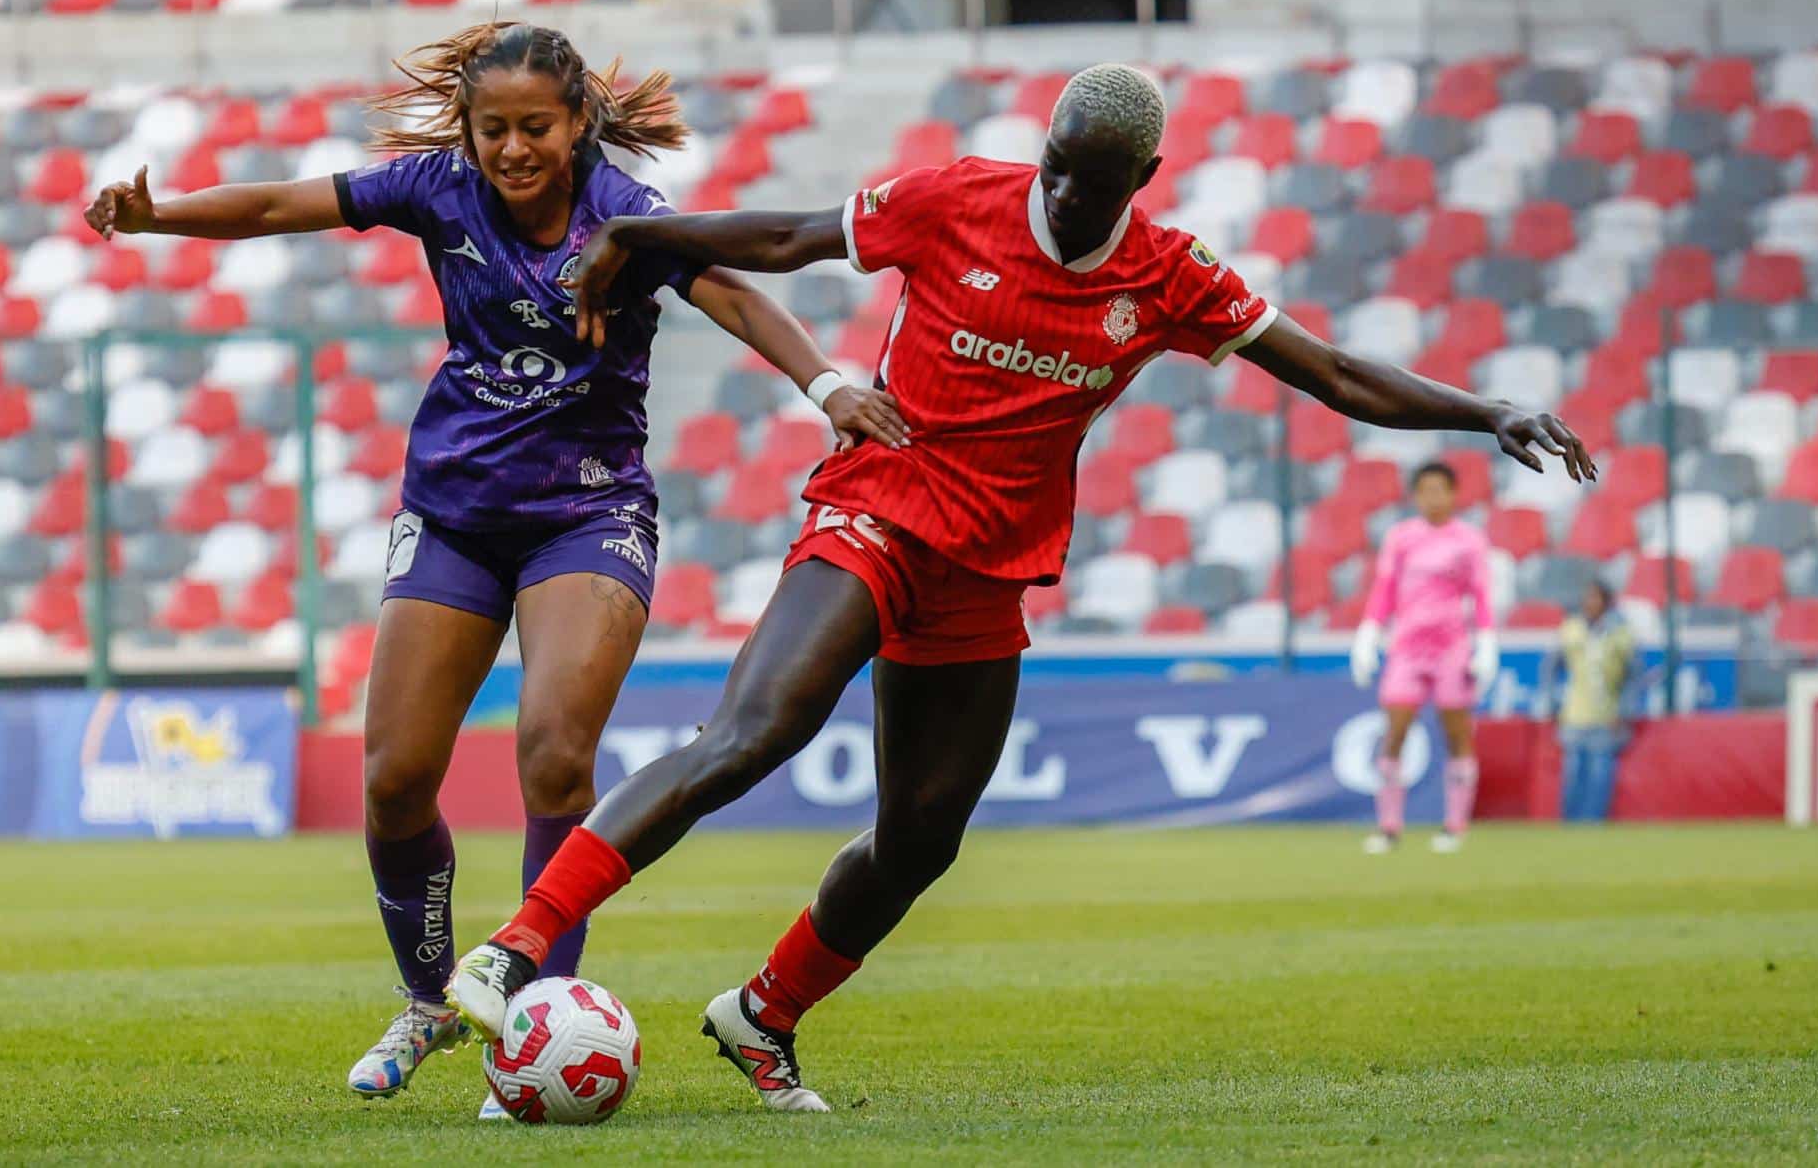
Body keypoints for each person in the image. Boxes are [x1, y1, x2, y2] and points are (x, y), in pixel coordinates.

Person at [445, 63, 1597, 1111]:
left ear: (1140, 180)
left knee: (920, 837)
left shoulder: (1171, 273)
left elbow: (1336, 371)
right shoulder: (957, 197)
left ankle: (762, 1015)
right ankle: (515, 946)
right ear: (1040, 147)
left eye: (1094, 186)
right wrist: (643, 235)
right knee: (750, 733)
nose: (1065, 197)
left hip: (987, 568)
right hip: (877, 509)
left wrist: (1484, 407)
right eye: (1055, 169)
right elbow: (796, 234)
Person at [82, 22, 905, 1110]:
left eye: (535, 127)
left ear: (577, 125)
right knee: (393, 779)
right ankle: (428, 998)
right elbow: (285, 203)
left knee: (556, 754)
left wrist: (829, 385)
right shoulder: (436, 189)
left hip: (588, 513)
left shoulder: (631, 214)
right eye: (493, 129)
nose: (512, 148)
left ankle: (528, 1017)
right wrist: (161, 216)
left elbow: (738, 296)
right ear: (466, 133)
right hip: (454, 515)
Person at [1351, 460, 1498, 856]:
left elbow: (1481, 594)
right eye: (1425, 490)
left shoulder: (1469, 540)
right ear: (1416, 495)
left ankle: (1454, 825)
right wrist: (1369, 633)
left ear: (1453, 494)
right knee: (1394, 732)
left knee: (1456, 736)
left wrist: (1486, 642)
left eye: (1440, 490)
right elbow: (1384, 589)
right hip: (1407, 649)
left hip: (1452, 649)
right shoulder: (1401, 538)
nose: (1433, 498)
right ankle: (1389, 827)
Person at [1546, 579, 1635, 822]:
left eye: (1596, 597)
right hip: (1574, 715)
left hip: (1606, 717)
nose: (1590, 602)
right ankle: (1570, 825)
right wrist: (1554, 703)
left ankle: (1594, 828)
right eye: (1588, 597)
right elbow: (1551, 669)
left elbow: (1633, 677)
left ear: (1606, 601)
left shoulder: (1621, 634)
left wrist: (1624, 710)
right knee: (1573, 775)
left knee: (1600, 777)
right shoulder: (1571, 629)